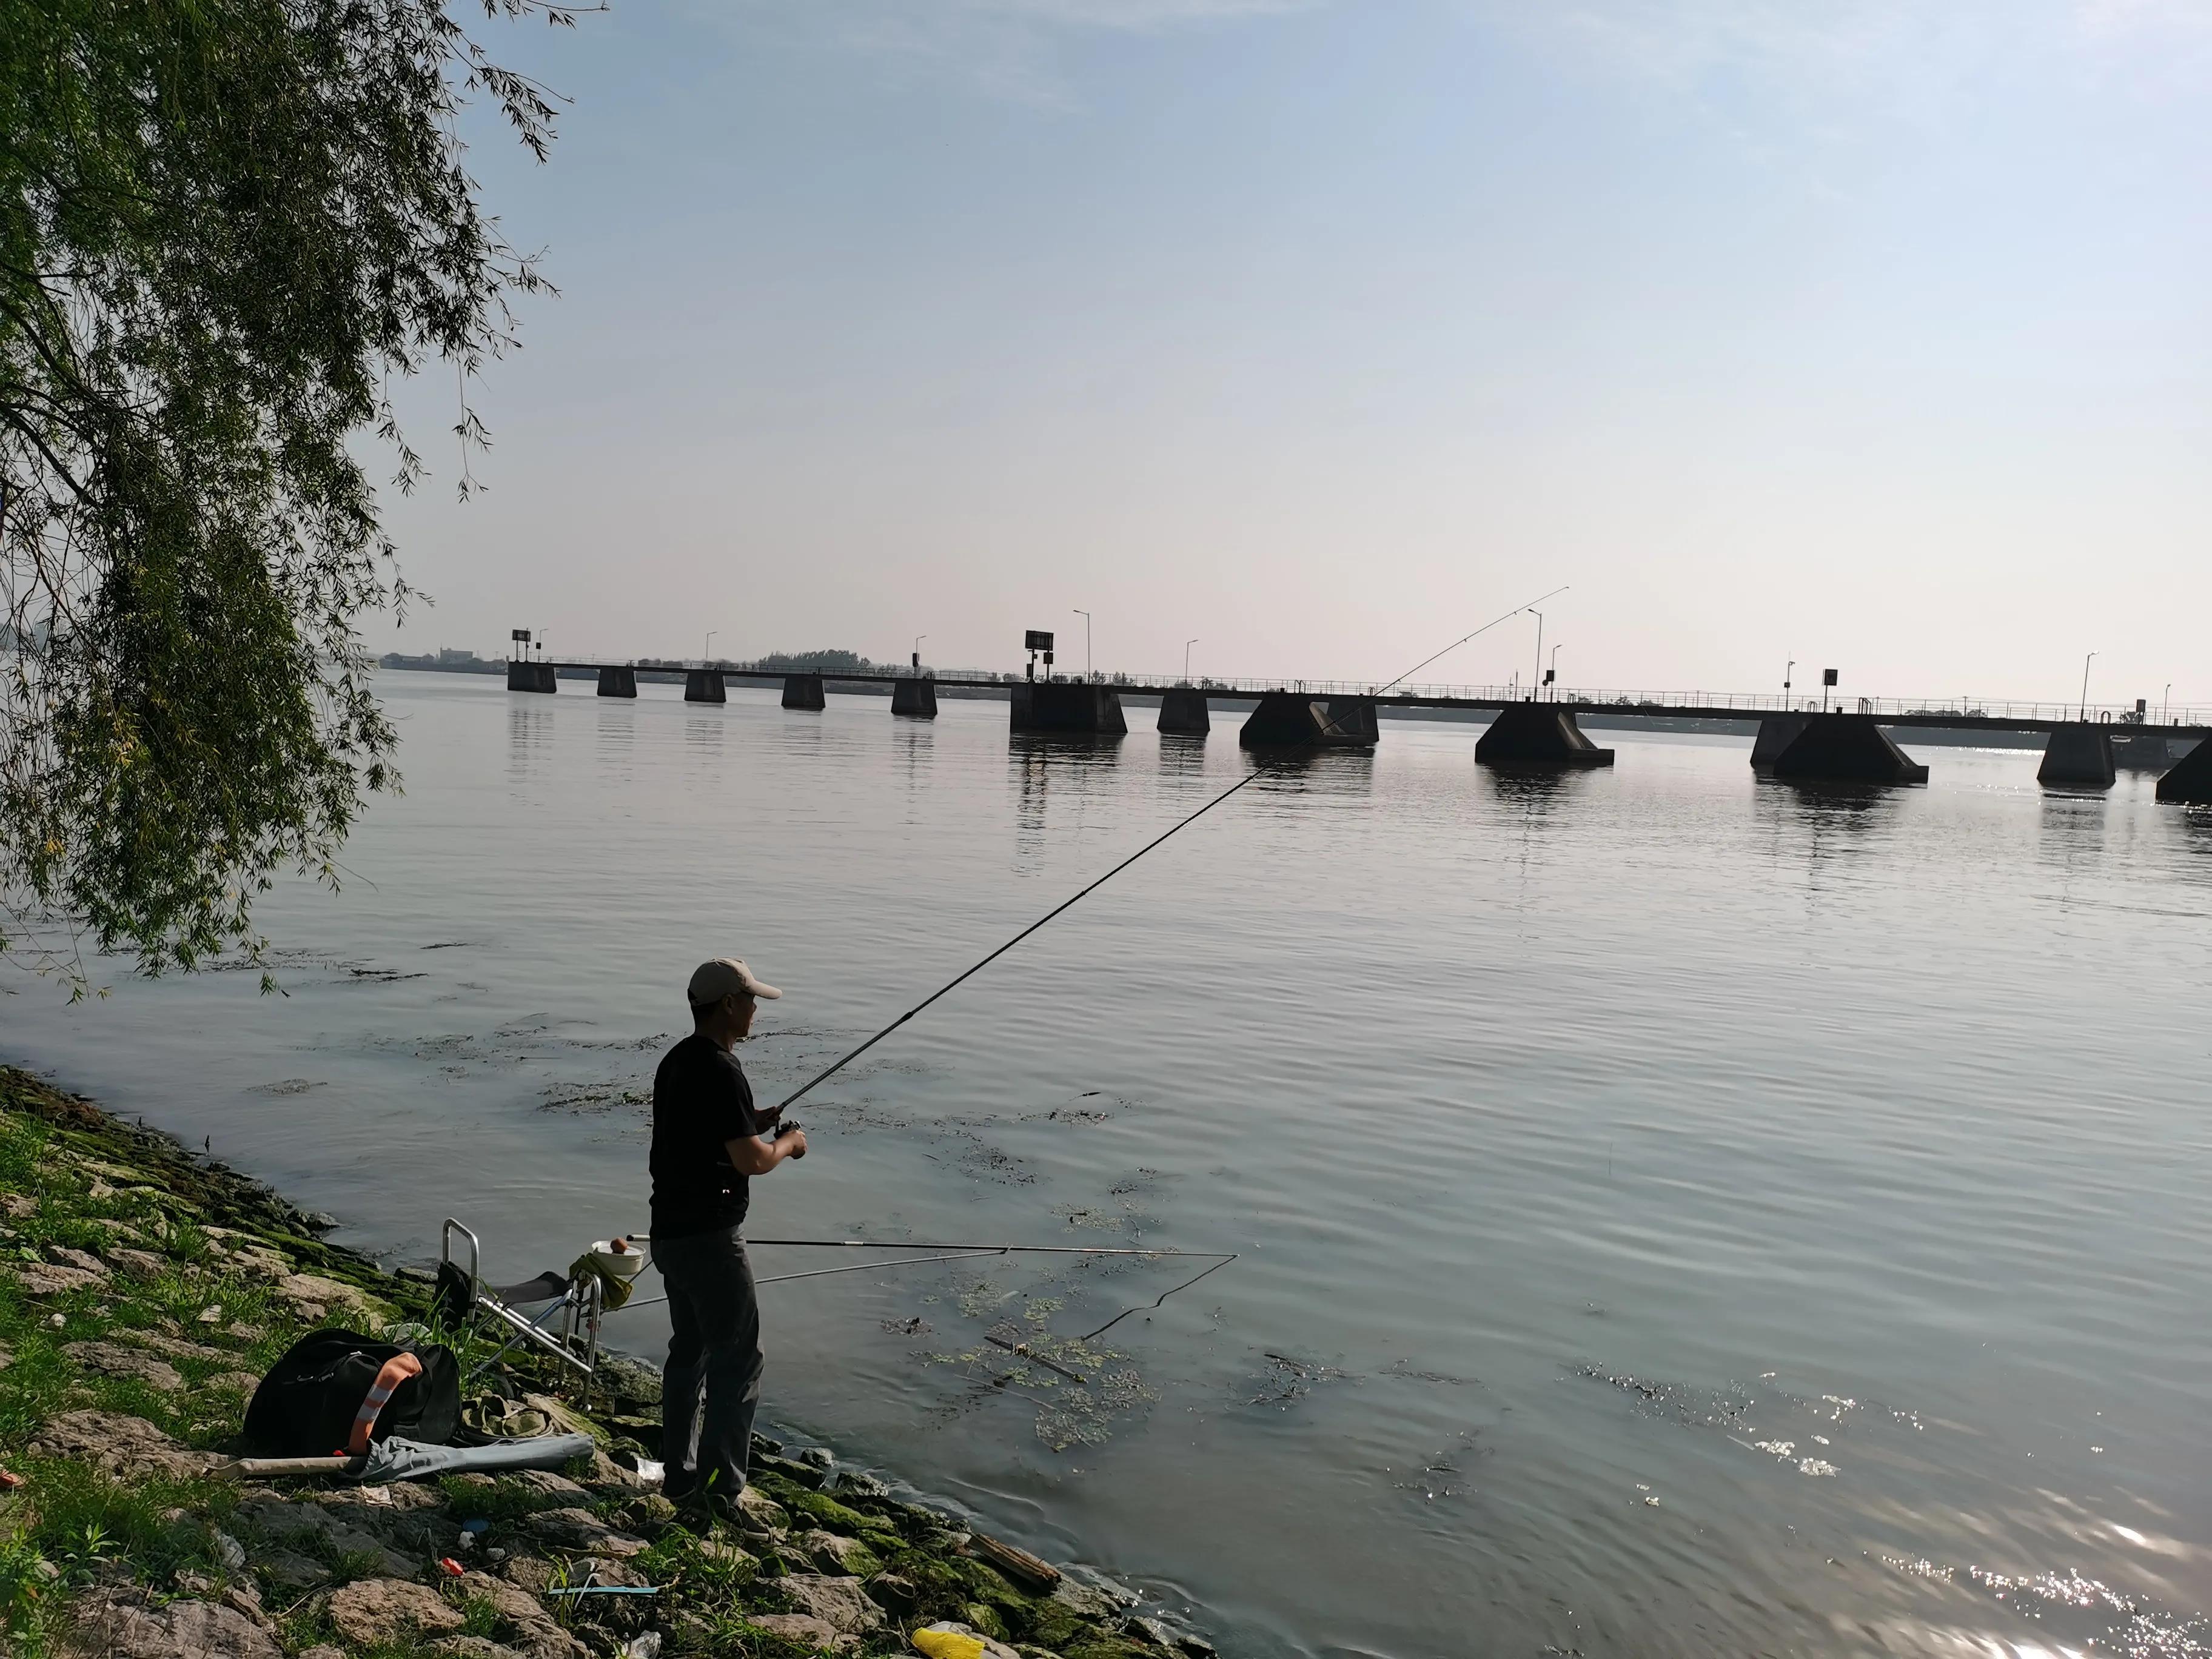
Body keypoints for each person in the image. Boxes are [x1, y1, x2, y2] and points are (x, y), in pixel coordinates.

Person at [649, 956, 808, 1529]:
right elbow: (751, 1160)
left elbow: (704, 1136)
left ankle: (678, 1473)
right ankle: (719, 1494)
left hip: (667, 1234)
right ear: (728, 1007)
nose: (756, 1009)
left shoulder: (678, 1062)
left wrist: (752, 1118)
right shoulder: (722, 1069)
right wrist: (788, 1143)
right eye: (751, 1000)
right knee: (738, 1361)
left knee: (689, 1351)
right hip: (711, 1241)